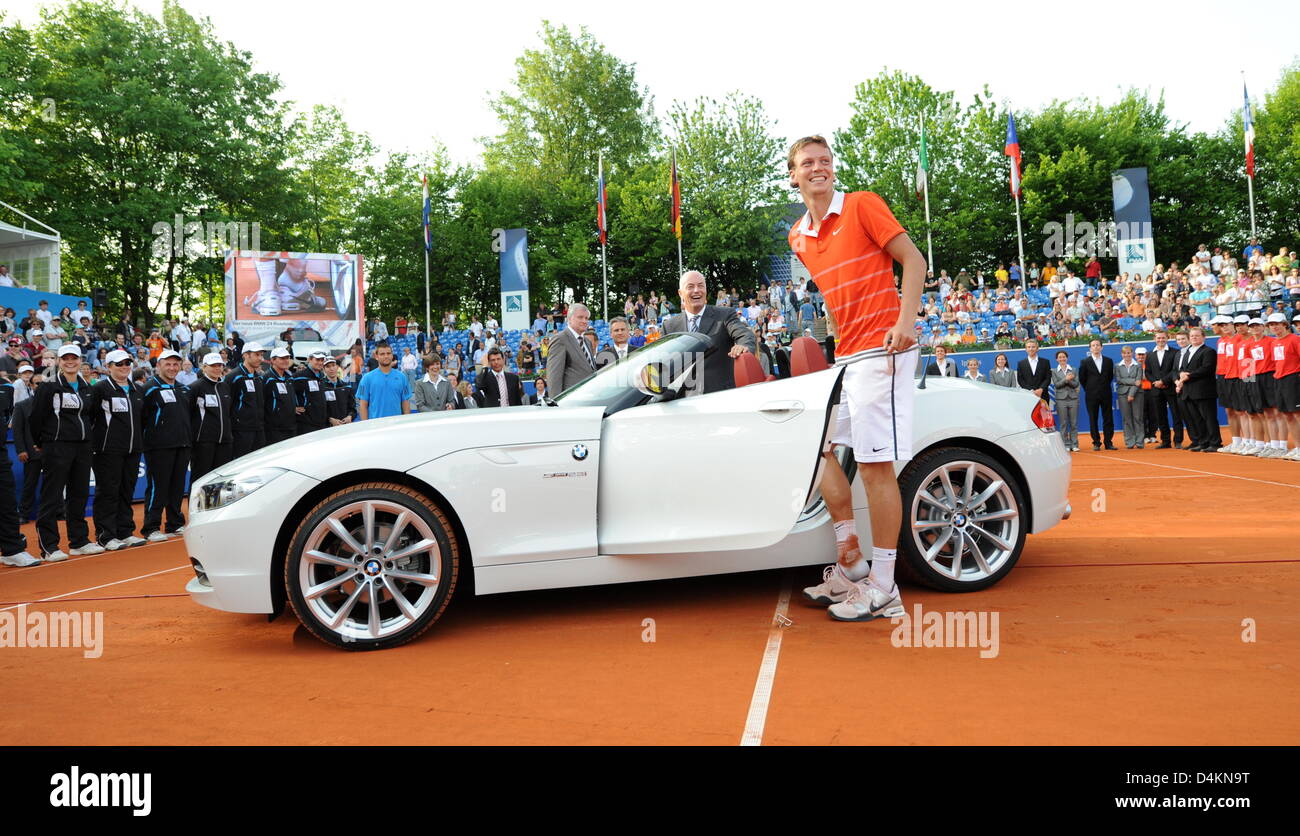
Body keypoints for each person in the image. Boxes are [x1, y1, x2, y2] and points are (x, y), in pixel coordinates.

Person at [785, 135, 925, 623]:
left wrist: (904, 324)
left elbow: (915, 261)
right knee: (816, 448)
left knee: (874, 467)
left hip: (883, 351)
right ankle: (850, 558)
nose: (818, 168)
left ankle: (884, 586)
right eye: (808, 163)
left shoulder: (864, 205)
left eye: (825, 161)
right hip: (846, 359)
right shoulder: (797, 237)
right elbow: (833, 295)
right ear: (794, 175)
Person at [28, 344, 102, 560]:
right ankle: (49, 546)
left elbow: (91, 415)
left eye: (75, 358)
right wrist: (41, 442)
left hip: (82, 446)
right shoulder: (49, 386)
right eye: (66, 358)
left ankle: (79, 541)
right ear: (59, 361)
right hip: (56, 446)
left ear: (81, 361)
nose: (71, 362)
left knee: (78, 494)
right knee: (52, 496)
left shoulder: (86, 386)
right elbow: (36, 417)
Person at [661, 271, 757, 394]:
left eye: (701, 286)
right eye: (690, 287)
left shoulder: (725, 315)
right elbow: (663, 365)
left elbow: (744, 335)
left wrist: (743, 346)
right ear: (680, 293)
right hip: (682, 401)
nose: (696, 290)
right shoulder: (669, 326)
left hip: (719, 396)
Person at [90, 348, 146, 550]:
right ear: (108, 367)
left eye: (127, 364)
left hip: (132, 449)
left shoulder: (138, 390)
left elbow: (142, 419)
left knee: (126, 490)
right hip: (107, 450)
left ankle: (125, 531)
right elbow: (91, 417)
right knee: (108, 492)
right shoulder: (100, 389)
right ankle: (106, 535)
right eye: (119, 364)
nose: (124, 367)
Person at [140, 349, 191, 542]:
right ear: (159, 365)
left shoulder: (183, 389)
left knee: (177, 486)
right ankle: (151, 527)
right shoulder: (150, 388)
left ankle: (174, 523)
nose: (172, 368)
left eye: (175, 364)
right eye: (167, 364)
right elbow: (142, 417)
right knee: (157, 487)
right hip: (158, 446)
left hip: (182, 444)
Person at [0, 373, 38, 565]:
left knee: (7, 505)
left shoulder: (6, 389)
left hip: (0, 458)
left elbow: (7, 419)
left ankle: (11, 549)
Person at [189, 353, 233, 482]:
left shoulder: (225, 386)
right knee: (200, 478)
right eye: (213, 365)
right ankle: (196, 503)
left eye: (219, 365)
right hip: (203, 442)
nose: (217, 368)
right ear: (204, 367)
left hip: (225, 442)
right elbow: (189, 413)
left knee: (220, 479)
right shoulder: (195, 387)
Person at [1176, 326, 1219, 451]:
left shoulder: (1208, 351)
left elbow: (1207, 368)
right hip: (1189, 391)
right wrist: (1181, 376)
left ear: (1203, 337)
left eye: (1197, 335)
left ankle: (1215, 443)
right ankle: (1203, 442)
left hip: (1204, 391)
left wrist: (1188, 375)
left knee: (1209, 418)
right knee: (1197, 419)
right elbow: (1181, 369)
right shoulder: (1187, 352)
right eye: (1192, 336)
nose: (1194, 338)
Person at [225, 341, 267, 459]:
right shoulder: (233, 376)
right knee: (241, 463)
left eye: (261, 355)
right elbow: (227, 404)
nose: (261, 359)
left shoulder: (258, 377)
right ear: (246, 355)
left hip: (258, 428)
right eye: (257, 355)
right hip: (241, 430)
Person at [545, 303, 597, 396]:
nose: (584, 321)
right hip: (571, 400)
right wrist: (556, 404)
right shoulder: (560, 339)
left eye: (586, 318)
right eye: (580, 317)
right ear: (569, 319)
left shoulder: (587, 342)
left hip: (590, 397)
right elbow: (554, 377)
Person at [1144, 331, 1183, 448]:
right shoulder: (1150, 354)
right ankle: (1165, 441)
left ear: (1167, 338)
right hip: (1156, 390)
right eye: (1158, 338)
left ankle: (1178, 441)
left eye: (1163, 338)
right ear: (1154, 339)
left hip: (1171, 388)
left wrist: (1163, 381)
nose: (1161, 340)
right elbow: (1148, 372)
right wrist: (1155, 383)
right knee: (1160, 417)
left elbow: (1175, 370)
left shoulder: (1175, 352)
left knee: (1176, 415)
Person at [357, 342, 412, 419]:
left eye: (388, 353)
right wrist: (365, 426)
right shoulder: (367, 378)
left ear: (392, 355)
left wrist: (406, 423)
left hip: (396, 425)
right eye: (382, 354)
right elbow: (363, 405)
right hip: (375, 426)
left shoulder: (402, 377)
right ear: (376, 356)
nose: (386, 356)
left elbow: (405, 403)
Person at [1078, 338, 1116, 450]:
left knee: (1108, 418)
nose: (1096, 347)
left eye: (1097, 345)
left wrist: (1102, 387)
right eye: (1093, 345)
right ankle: (1096, 442)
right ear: (1090, 348)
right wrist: (1090, 389)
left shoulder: (1108, 361)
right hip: (1091, 395)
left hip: (1106, 393)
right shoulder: (1085, 362)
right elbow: (1082, 379)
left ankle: (1108, 442)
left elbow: (1110, 377)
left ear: (1101, 347)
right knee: (1093, 418)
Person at [262, 346, 298, 444]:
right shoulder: (267, 378)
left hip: (291, 426)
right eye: (282, 358)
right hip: (274, 429)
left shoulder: (289, 378)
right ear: (273, 360)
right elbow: (262, 402)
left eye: (287, 358)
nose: (286, 360)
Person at [293, 351, 330, 435]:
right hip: (306, 424)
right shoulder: (299, 376)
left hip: (321, 423)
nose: (320, 362)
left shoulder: (322, 376)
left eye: (322, 360)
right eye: (317, 360)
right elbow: (288, 394)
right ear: (309, 359)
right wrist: (292, 408)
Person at [1115, 345, 1145, 448]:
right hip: (1123, 394)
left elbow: (1139, 381)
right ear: (1121, 354)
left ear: (1132, 353)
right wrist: (1133, 381)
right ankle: (1130, 442)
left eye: (1128, 353)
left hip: (1137, 394)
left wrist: (1131, 394)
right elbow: (1119, 380)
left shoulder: (1138, 365)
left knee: (1138, 418)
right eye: (1124, 353)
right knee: (1126, 418)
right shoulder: (1117, 366)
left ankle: (1140, 442)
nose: (1127, 355)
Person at [1052, 350, 1080, 451]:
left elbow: (1076, 384)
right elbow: (1057, 385)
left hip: (1073, 398)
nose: (1062, 359)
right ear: (1057, 359)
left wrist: (1069, 380)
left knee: (1073, 423)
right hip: (1061, 399)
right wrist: (1066, 379)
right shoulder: (1054, 371)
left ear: (1067, 358)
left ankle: (1075, 444)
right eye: (1060, 357)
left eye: (1064, 357)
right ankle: (1066, 444)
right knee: (1063, 423)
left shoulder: (1074, 369)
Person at [323, 356, 355, 425]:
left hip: (345, 426)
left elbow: (353, 407)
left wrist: (350, 416)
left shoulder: (347, 386)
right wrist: (329, 419)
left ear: (337, 367)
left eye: (333, 365)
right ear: (324, 369)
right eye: (328, 366)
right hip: (327, 428)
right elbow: (319, 409)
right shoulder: (321, 387)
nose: (331, 369)